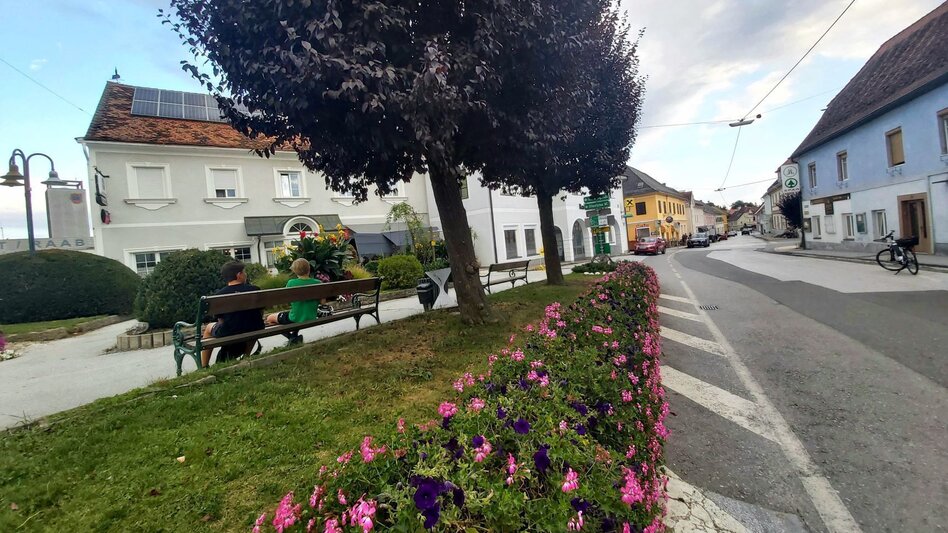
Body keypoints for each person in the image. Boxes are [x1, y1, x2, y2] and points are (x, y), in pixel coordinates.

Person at [201, 261, 264, 368]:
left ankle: (204, 366)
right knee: (252, 325)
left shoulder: (219, 295)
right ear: (239, 275)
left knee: (208, 328)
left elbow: (220, 319)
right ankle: (246, 356)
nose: (246, 274)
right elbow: (260, 312)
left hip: (230, 330)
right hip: (255, 327)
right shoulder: (254, 290)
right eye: (244, 272)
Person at [265, 258, 322, 345]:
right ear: (309, 269)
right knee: (292, 315)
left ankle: (291, 337)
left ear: (295, 271)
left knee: (269, 318)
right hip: (311, 316)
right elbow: (323, 302)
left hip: (294, 318)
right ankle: (295, 336)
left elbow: (286, 301)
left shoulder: (291, 283)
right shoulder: (318, 283)